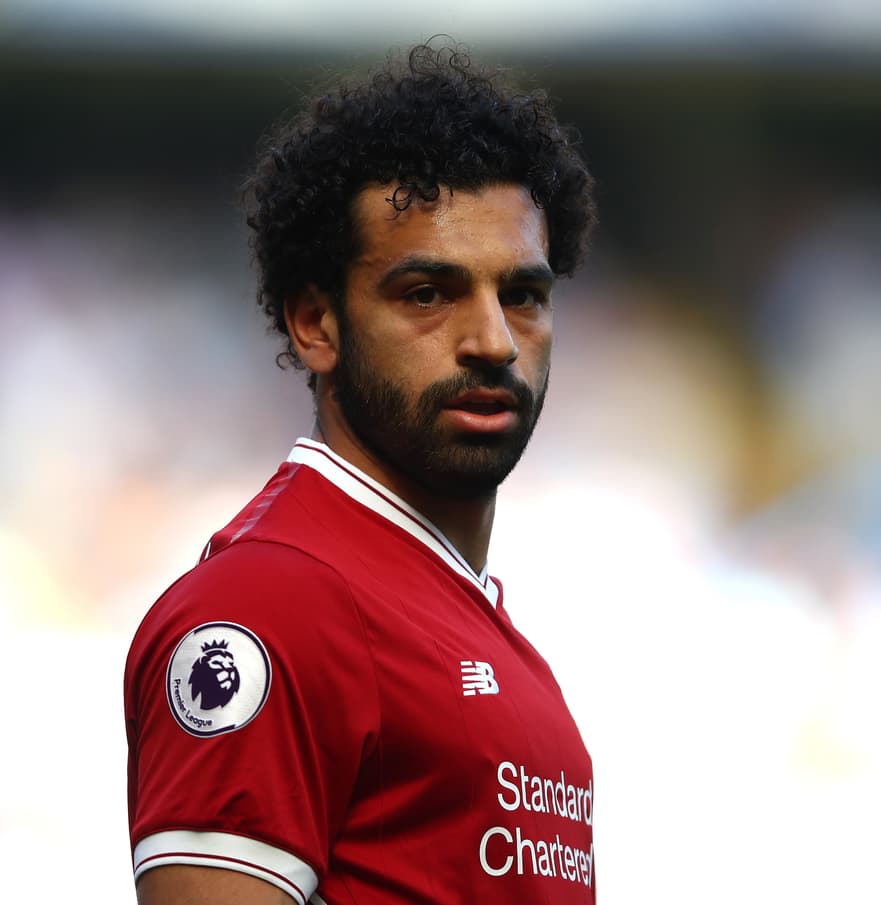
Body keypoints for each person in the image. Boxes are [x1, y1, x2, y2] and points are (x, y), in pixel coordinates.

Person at [123, 43, 598, 905]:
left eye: (522, 295)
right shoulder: (270, 607)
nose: (493, 340)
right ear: (315, 322)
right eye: (427, 293)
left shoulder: (470, 622)